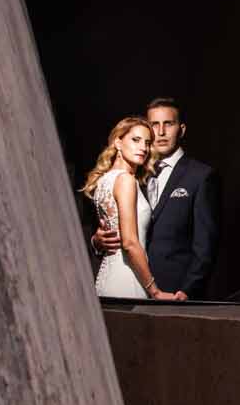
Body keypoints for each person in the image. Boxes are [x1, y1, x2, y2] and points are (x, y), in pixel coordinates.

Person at [92, 96, 220, 298]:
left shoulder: (200, 176)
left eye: (168, 124)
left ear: (182, 129)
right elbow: (120, 231)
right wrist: (97, 242)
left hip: (173, 291)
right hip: (134, 281)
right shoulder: (135, 174)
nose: (160, 132)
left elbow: (205, 246)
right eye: (154, 125)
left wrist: (188, 290)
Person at [81, 117, 183, 300]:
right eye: (135, 140)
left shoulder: (104, 180)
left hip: (106, 279)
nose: (143, 148)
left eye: (147, 143)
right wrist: (155, 291)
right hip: (128, 280)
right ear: (118, 142)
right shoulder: (126, 180)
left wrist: (97, 241)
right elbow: (129, 243)